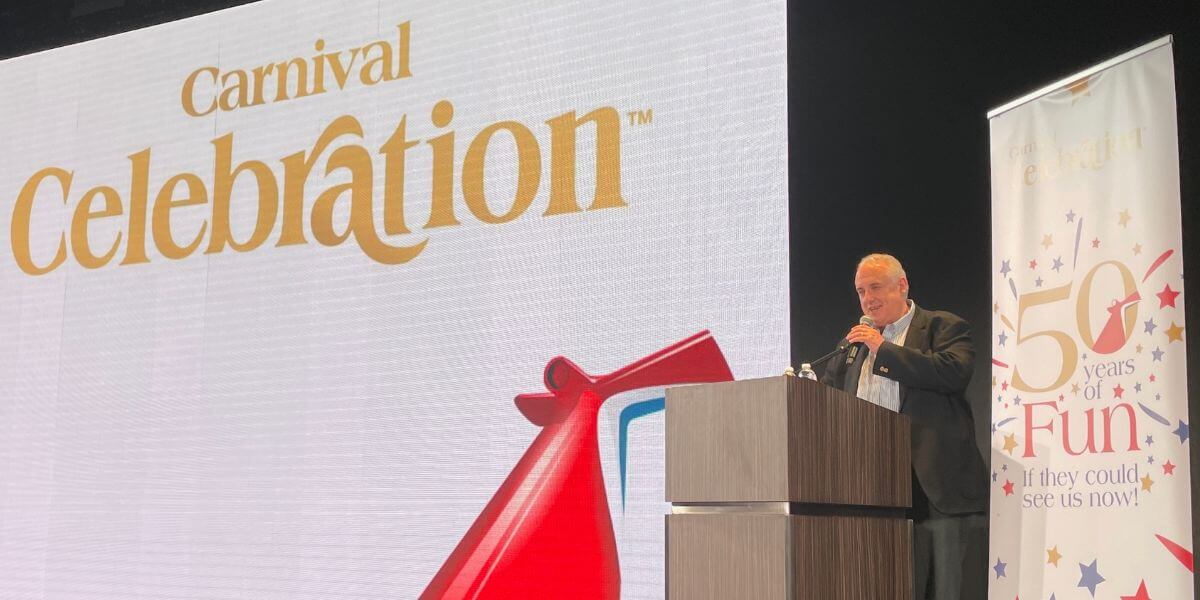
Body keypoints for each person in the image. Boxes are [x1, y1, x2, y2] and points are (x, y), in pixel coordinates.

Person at [819, 253, 988, 599]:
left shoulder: (943, 327)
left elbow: (953, 372)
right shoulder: (852, 347)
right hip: (874, 492)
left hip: (936, 492)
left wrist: (883, 349)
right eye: (861, 291)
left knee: (951, 591)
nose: (868, 298)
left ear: (902, 285)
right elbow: (826, 396)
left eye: (876, 287)